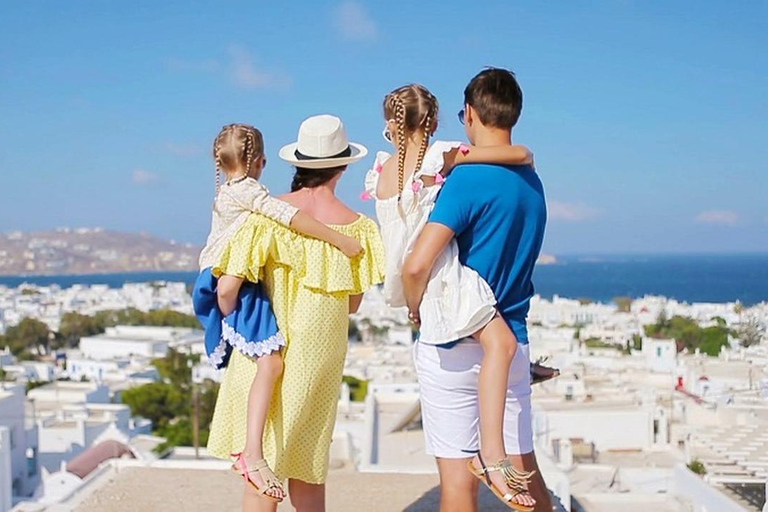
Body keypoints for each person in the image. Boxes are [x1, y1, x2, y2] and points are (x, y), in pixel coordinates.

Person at [364, 83, 537, 510]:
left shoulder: (383, 170)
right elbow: (520, 154)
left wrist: (413, 303)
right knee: (503, 343)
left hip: (417, 293)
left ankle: (490, 458)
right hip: (443, 276)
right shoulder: (443, 156)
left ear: (390, 125)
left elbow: (407, 260)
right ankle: (492, 456)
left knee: (455, 489)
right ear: (438, 121)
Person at [207, 114, 385, 512]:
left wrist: (234, 325)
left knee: (260, 478)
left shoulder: (264, 218)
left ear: (297, 164)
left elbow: (228, 287)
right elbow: (353, 305)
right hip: (317, 361)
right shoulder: (361, 232)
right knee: (307, 471)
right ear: (343, 166)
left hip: (262, 351)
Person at [402, 68, 552, 512]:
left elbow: (417, 264)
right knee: (526, 477)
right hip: (512, 343)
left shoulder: (467, 180)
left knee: (457, 488)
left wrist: (415, 307)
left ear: (468, 113)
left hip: (453, 343)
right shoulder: (532, 182)